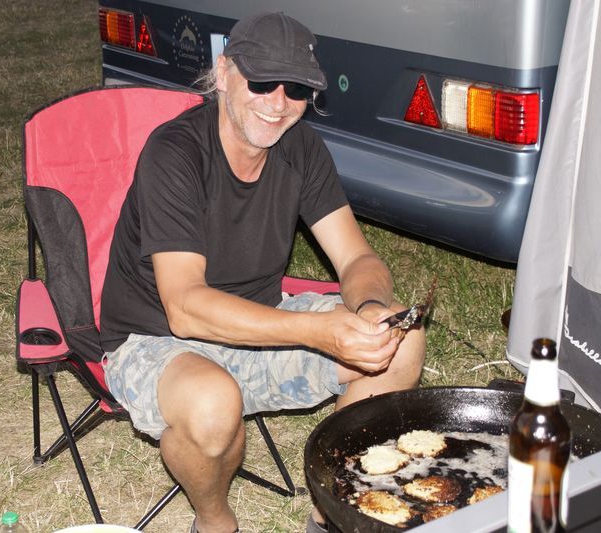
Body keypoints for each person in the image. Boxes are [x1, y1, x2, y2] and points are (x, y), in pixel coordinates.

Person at [99, 12, 426, 533]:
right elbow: (184, 308)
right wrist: (318, 331)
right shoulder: (176, 152)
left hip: (262, 325)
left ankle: (328, 513)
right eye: (262, 82)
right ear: (223, 71)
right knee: (212, 404)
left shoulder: (301, 148)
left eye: (295, 89)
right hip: (155, 340)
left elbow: (357, 259)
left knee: (401, 341)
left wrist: (367, 309)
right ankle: (214, 522)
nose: (277, 103)